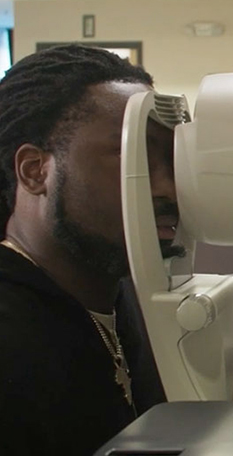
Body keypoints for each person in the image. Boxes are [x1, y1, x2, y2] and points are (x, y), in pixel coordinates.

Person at [0, 44, 175, 455]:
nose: (168, 188)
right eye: (134, 156)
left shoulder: (122, 295)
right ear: (35, 171)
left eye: (171, 158)